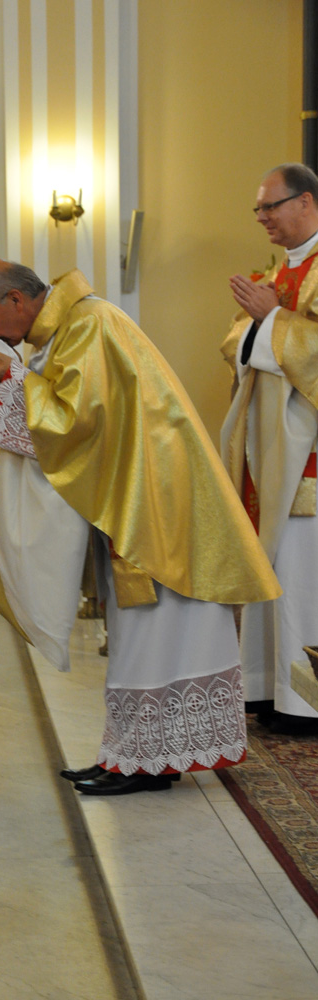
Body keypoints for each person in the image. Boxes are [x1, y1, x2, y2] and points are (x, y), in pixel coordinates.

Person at [0, 259, 280, 795]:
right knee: (135, 636)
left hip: (157, 510)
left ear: (16, 300)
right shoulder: (70, 329)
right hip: (137, 499)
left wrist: (12, 378)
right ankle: (130, 754)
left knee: (157, 632)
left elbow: (76, 420)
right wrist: (19, 378)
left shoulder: (89, 323)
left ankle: (146, 762)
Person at [221, 163, 318, 735]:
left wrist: (273, 318)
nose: (261, 217)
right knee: (272, 572)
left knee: (302, 579)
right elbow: (233, 343)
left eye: (270, 206)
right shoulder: (276, 273)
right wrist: (263, 321)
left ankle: (306, 701)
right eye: (258, 209)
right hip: (269, 451)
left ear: (305, 201)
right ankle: (266, 686)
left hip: (309, 461)